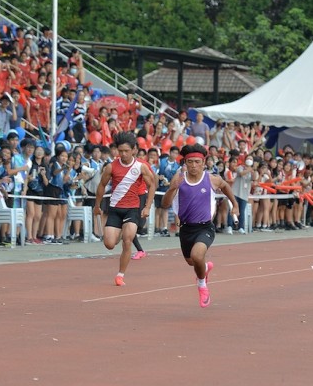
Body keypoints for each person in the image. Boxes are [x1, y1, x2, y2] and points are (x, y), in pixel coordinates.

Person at [160, 144, 239, 308]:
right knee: (192, 262)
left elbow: (225, 186)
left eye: (197, 162)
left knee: (197, 256)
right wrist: (172, 188)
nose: (194, 165)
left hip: (205, 227)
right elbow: (165, 204)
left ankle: (202, 285)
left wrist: (235, 204)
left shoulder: (211, 179)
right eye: (190, 162)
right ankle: (204, 268)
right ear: (185, 163)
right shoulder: (179, 180)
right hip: (186, 228)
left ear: (203, 163)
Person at [93, 132, 156, 287]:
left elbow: (152, 185)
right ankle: (120, 230)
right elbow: (101, 185)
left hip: (132, 209)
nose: (123, 154)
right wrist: (97, 205)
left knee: (128, 240)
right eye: (120, 151)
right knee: (109, 244)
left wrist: (147, 206)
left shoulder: (140, 166)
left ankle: (120, 275)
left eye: (126, 151)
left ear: (134, 150)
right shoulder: (111, 166)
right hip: (115, 208)